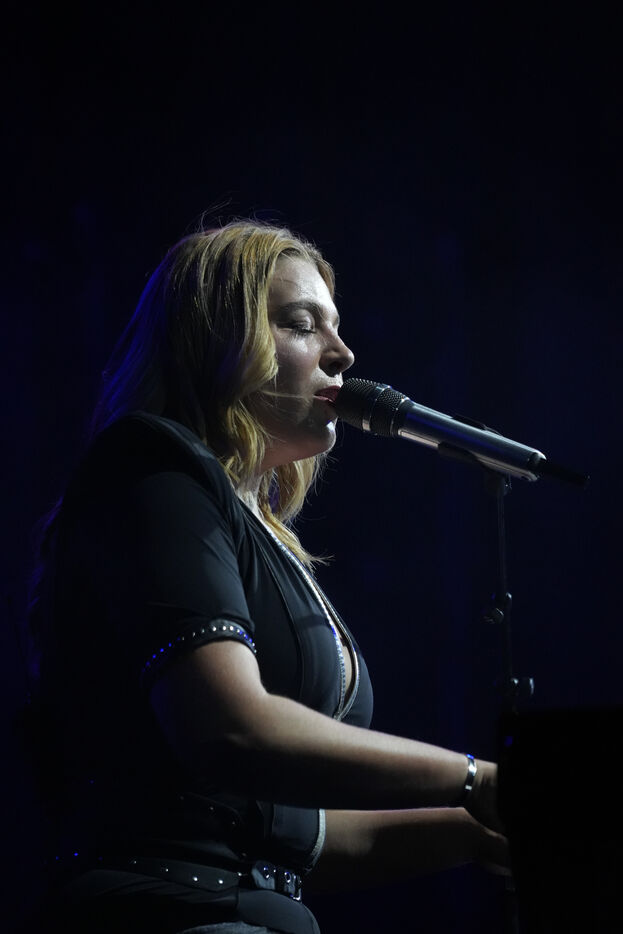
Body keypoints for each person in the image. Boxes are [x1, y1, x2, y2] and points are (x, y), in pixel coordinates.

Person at [24, 221, 508, 934]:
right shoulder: (152, 469)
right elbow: (232, 728)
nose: (342, 354)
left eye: (335, 327)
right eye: (301, 325)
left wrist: (479, 832)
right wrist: (475, 778)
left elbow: (287, 841)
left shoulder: (263, 534)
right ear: (214, 343)